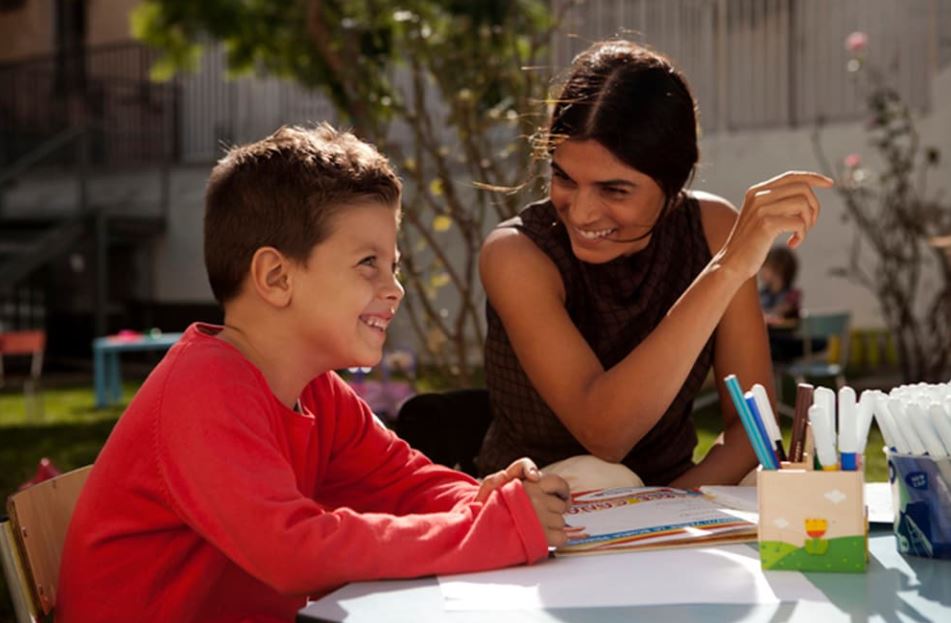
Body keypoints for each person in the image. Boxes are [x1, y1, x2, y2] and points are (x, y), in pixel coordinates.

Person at [56, 124, 570, 622]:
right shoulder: (204, 390)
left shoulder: (316, 390)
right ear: (277, 277)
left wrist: (489, 502)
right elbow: (294, 550)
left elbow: (401, 481)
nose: (394, 289)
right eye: (368, 262)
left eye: (394, 265)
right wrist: (488, 531)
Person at [476, 40, 832, 491]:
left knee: (767, 485)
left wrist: (669, 508)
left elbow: (753, 428)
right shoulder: (517, 254)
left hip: (671, 498)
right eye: (565, 177)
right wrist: (724, 271)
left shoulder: (711, 230)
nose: (582, 213)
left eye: (614, 190)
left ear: (674, 183)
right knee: (600, 474)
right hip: (548, 508)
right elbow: (605, 434)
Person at [759, 246, 802, 326]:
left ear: (778, 269)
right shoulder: (762, 294)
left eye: (765, 267)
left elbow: (779, 311)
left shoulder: (792, 295)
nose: (761, 270)